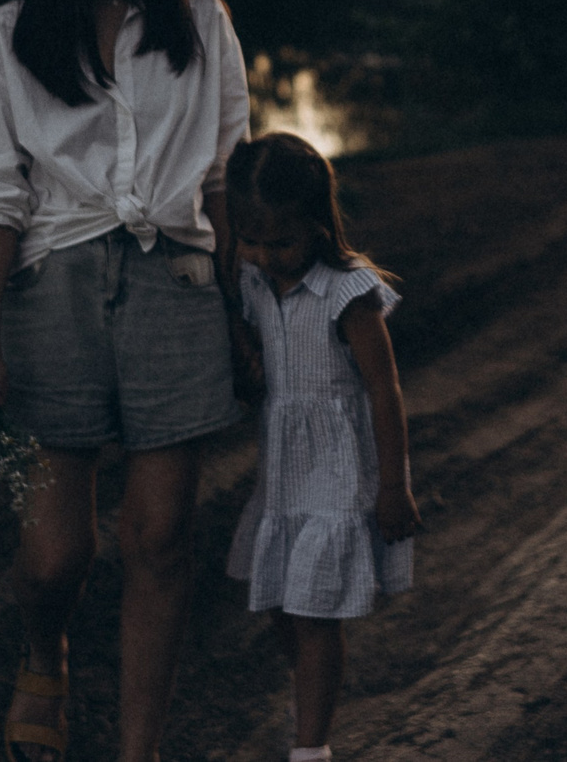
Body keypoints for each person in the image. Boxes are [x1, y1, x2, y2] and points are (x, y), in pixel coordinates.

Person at [0, 0, 250, 762]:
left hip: (178, 285)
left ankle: (137, 751)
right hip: (54, 293)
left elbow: (228, 179)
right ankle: (45, 648)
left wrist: (248, 315)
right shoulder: (7, 37)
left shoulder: (201, 22)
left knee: (160, 538)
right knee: (56, 553)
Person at [220, 132, 418, 762]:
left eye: (280, 241)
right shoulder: (254, 283)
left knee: (311, 611)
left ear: (317, 224)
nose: (263, 254)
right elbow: (259, 352)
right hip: (283, 471)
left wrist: (393, 486)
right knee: (281, 601)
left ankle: (312, 747)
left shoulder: (347, 292)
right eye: (249, 240)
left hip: (336, 471)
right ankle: (310, 698)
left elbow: (384, 391)